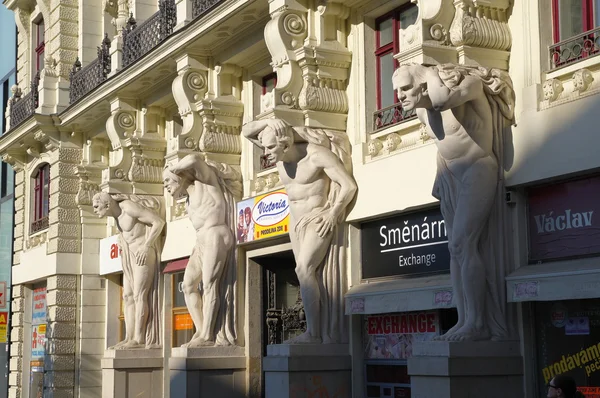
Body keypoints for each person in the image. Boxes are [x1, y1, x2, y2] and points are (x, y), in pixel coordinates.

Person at [392, 63, 515, 341]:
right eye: (397, 90)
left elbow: (443, 99)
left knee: (462, 243)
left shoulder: (468, 87)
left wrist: (430, 72)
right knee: (455, 248)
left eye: (405, 87)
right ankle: (464, 320)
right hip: (452, 178)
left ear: (425, 83)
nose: (399, 96)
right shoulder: (423, 110)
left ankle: (478, 323)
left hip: (478, 169)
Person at [242, 118, 357, 344]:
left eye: (271, 147)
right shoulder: (278, 156)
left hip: (318, 217)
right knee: (305, 273)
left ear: (286, 143)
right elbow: (246, 132)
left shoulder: (316, 156)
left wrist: (333, 213)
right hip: (296, 223)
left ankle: (313, 334)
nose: (266, 153)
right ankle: (315, 330)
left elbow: (349, 185)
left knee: (304, 269)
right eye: (265, 147)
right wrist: (271, 121)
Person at [163, 153, 241, 347]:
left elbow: (195, 160)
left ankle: (208, 335)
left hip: (216, 234)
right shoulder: (188, 198)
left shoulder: (204, 182)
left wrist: (173, 168)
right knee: (188, 285)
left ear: (179, 175)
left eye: (167, 180)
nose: (165, 185)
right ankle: (201, 330)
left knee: (209, 285)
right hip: (200, 241)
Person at [92, 192, 164, 349]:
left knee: (139, 295)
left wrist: (147, 245)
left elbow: (158, 222)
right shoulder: (116, 217)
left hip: (143, 254)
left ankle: (139, 339)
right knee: (127, 296)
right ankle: (129, 336)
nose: (95, 210)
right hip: (129, 256)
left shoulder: (128, 207)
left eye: (97, 206)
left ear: (107, 204)